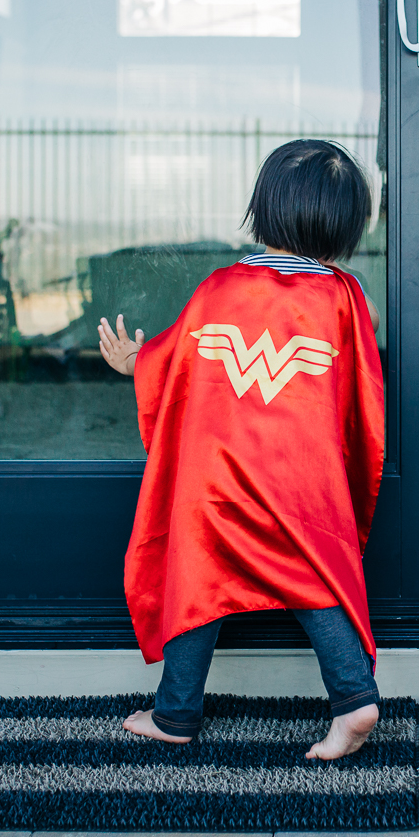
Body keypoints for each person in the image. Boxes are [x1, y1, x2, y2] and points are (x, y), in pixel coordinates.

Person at [98, 139, 385, 760]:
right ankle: (354, 697)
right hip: (303, 478)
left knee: (195, 581)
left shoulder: (222, 288)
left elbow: (176, 361)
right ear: (345, 224)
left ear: (266, 206)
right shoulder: (343, 297)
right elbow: (362, 380)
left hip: (217, 480)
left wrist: (135, 363)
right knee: (318, 579)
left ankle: (175, 714)